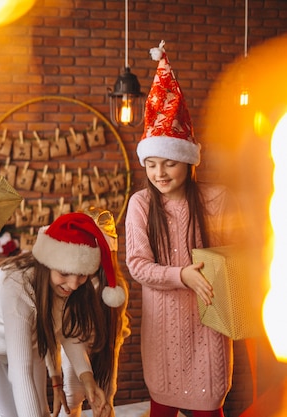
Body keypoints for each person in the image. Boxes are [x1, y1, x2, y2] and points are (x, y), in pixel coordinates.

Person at [125, 41, 243, 417]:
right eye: (152, 164)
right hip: (161, 328)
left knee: (209, 405)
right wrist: (182, 275)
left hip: (208, 326)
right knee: (162, 403)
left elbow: (235, 258)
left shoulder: (216, 199)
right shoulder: (141, 204)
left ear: (189, 163)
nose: (160, 174)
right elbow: (137, 265)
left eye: (170, 164)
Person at [0, 212, 127, 417]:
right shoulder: (18, 289)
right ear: (46, 264)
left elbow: (69, 334)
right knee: (11, 413)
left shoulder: (71, 288)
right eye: (64, 274)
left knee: (41, 412)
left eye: (82, 275)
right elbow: (21, 372)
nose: (73, 284)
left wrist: (88, 379)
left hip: (32, 336)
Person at [56, 208, 131, 417]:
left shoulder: (116, 289)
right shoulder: (70, 283)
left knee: (106, 396)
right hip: (73, 345)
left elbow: (117, 332)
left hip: (106, 347)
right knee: (73, 397)